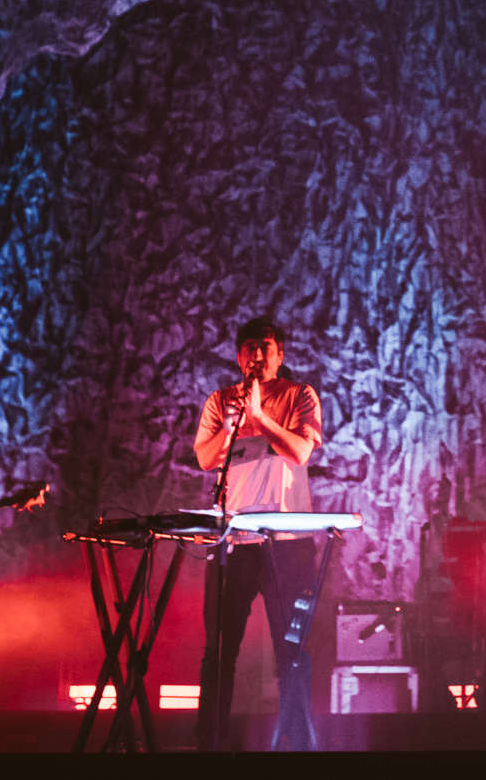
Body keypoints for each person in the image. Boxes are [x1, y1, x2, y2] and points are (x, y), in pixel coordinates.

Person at [192, 317, 325, 751]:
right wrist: (233, 425)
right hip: (235, 543)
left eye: (266, 346)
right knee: (218, 653)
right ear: (238, 356)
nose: (257, 354)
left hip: (287, 544)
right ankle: (210, 742)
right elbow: (205, 460)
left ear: (280, 354)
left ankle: (298, 743)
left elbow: (301, 451)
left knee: (292, 650)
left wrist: (260, 418)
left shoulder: (300, 395)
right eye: (250, 347)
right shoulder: (219, 400)